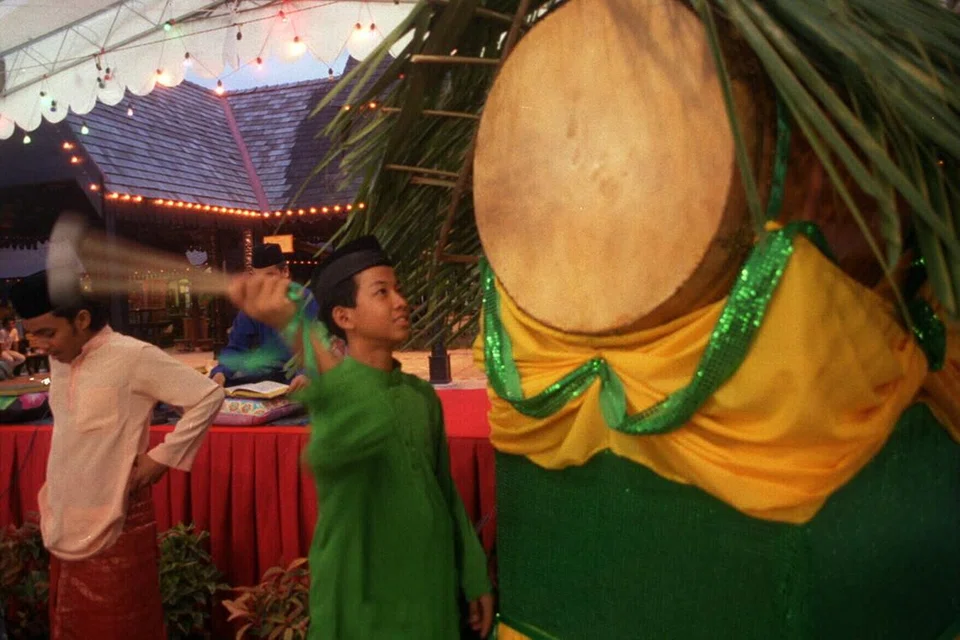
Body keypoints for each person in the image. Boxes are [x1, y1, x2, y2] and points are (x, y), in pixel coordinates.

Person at [228, 236, 494, 639]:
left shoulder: (421, 396)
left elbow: (445, 492)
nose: (401, 301)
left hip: (431, 585)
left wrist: (473, 574)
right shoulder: (331, 401)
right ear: (345, 317)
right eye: (382, 292)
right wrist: (294, 326)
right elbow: (362, 420)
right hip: (363, 600)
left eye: (399, 289)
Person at [10, 271, 224, 640]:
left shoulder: (132, 355)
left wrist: (161, 458)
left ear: (81, 320)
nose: (40, 345)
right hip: (66, 519)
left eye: (48, 333)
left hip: (117, 520)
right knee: (71, 625)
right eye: (33, 335)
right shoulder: (61, 360)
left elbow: (207, 396)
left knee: (122, 626)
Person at [210, 243, 316, 392]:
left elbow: (318, 347)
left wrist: (306, 374)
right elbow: (236, 347)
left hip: (300, 372)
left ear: (284, 272)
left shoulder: (305, 301)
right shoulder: (252, 306)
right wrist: (221, 372)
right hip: (267, 375)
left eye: (269, 276)